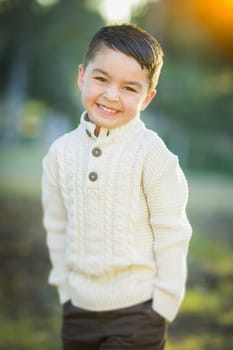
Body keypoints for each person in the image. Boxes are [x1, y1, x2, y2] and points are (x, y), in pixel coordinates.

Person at [41, 23, 192, 350]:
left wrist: (163, 305)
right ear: (82, 76)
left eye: (129, 88)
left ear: (147, 97)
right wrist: (66, 293)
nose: (111, 95)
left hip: (137, 313)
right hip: (78, 312)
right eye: (101, 79)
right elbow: (57, 225)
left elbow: (172, 232)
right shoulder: (60, 153)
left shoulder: (151, 154)